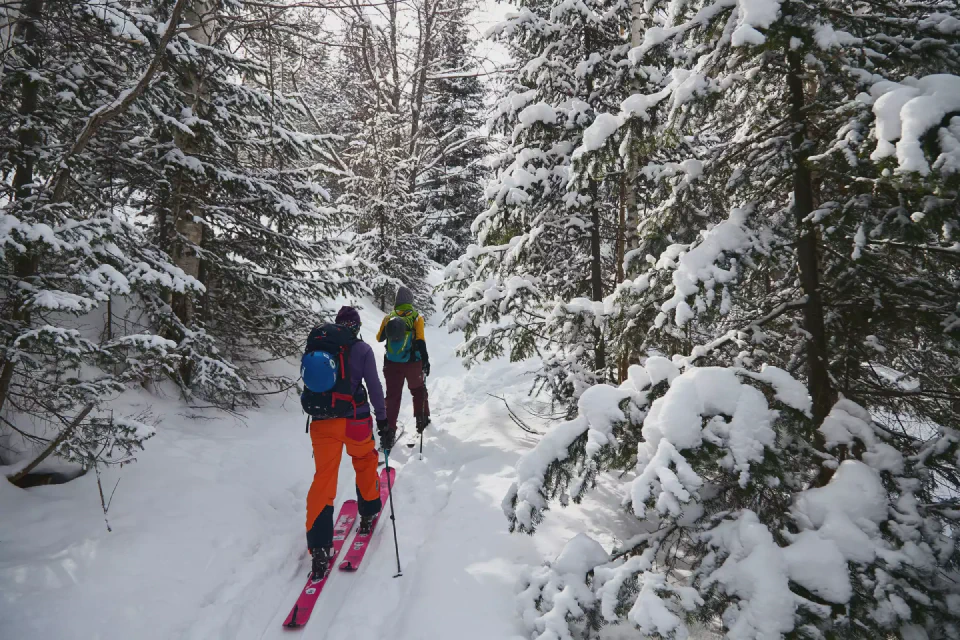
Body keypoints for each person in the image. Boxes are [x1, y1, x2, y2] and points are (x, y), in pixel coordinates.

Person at [302, 306, 393, 581]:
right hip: (355, 419)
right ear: (355, 327)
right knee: (365, 460)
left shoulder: (319, 345)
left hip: (321, 422)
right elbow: (375, 387)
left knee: (324, 478)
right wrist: (384, 420)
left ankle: (319, 547)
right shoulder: (361, 349)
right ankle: (367, 514)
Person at [376, 286, 431, 440]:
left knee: (393, 396)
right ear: (410, 301)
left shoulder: (389, 317)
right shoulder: (416, 317)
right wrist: (425, 361)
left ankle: (389, 430)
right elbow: (420, 340)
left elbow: (379, 338)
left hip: (392, 363)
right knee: (418, 390)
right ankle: (422, 421)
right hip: (413, 363)